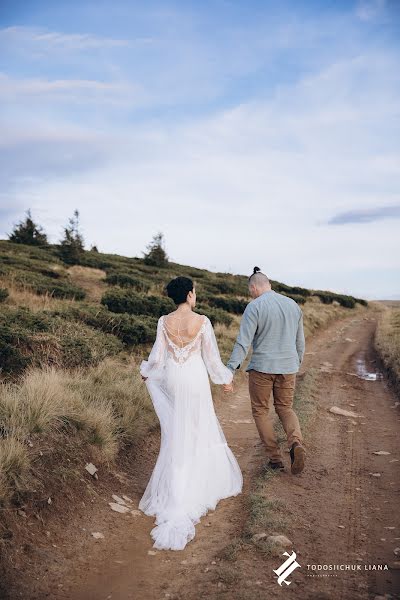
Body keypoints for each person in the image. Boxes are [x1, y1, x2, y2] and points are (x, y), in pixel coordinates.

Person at [139, 276, 243, 551]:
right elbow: (211, 358)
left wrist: (147, 373)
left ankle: (177, 482)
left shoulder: (164, 321)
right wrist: (225, 379)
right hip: (195, 379)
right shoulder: (203, 321)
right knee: (198, 427)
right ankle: (197, 483)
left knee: (177, 430)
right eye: (194, 291)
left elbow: (157, 357)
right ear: (188, 295)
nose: (195, 295)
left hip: (174, 377)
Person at [225, 267, 306, 474]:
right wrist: (295, 364)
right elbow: (300, 343)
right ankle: (296, 443)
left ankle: (275, 459)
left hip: (262, 368)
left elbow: (243, 343)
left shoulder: (255, 307)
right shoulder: (293, 305)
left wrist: (230, 369)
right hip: (288, 367)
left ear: (254, 287)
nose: (251, 294)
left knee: (261, 411)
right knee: (285, 408)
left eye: (250, 290)